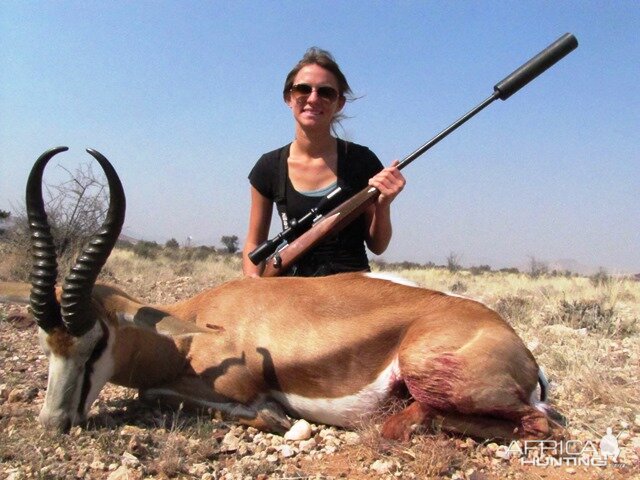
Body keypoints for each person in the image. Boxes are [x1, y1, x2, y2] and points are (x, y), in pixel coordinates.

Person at [242, 47, 405, 277]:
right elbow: (254, 242)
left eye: (325, 92)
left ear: (339, 103)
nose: (313, 98)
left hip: (353, 285)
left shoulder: (361, 161)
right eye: (303, 89)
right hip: (290, 290)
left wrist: (383, 205)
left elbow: (377, 246)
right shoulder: (268, 167)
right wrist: (252, 290)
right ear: (288, 97)